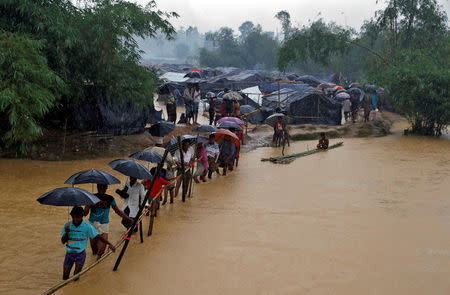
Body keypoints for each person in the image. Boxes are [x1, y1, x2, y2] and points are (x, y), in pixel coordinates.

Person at [61, 206, 115, 280]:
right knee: (65, 276)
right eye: (74, 217)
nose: (76, 219)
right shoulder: (67, 226)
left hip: (80, 254)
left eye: (78, 217)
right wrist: (67, 233)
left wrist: (110, 244)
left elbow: (98, 236)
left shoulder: (87, 227)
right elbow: (63, 241)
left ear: (82, 216)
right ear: (71, 216)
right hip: (69, 254)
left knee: (76, 276)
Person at [84, 184, 132, 259]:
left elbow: (118, 211)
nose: (102, 189)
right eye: (100, 187)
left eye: (103, 187)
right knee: (94, 250)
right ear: (98, 187)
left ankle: (97, 265)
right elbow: (85, 213)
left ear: (105, 188)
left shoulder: (110, 198)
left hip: (104, 225)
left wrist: (129, 219)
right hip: (92, 225)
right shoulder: (91, 198)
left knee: (101, 251)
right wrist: (89, 205)